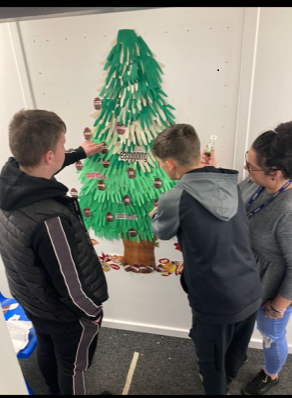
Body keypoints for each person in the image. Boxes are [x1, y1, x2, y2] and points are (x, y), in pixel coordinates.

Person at [0, 109, 110, 395]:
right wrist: (92, 312)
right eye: (63, 144)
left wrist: (77, 154)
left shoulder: (9, 181)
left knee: (47, 347)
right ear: (50, 155)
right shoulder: (50, 220)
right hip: (65, 315)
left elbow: (38, 174)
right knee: (73, 366)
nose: (66, 147)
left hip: (32, 298)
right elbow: (71, 284)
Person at [148, 123, 262, 395]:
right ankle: (229, 378)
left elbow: (162, 231)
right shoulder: (232, 186)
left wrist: (154, 213)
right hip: (249, 287)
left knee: (210, 362)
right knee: (236, 349)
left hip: (214, 298)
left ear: (171, 163)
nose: (163, 169)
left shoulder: (173, 197)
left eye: (162, 164)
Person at [201, 123, 292, 395]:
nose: (246, 170)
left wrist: (278, 305)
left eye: (250, 166)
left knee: (271, 334)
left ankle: (271, 375)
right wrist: (214, 171)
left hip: (274, 291)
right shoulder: (257, 185)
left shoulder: (288, 212)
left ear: (274, 173)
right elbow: (234, 196)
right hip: (247, 281)